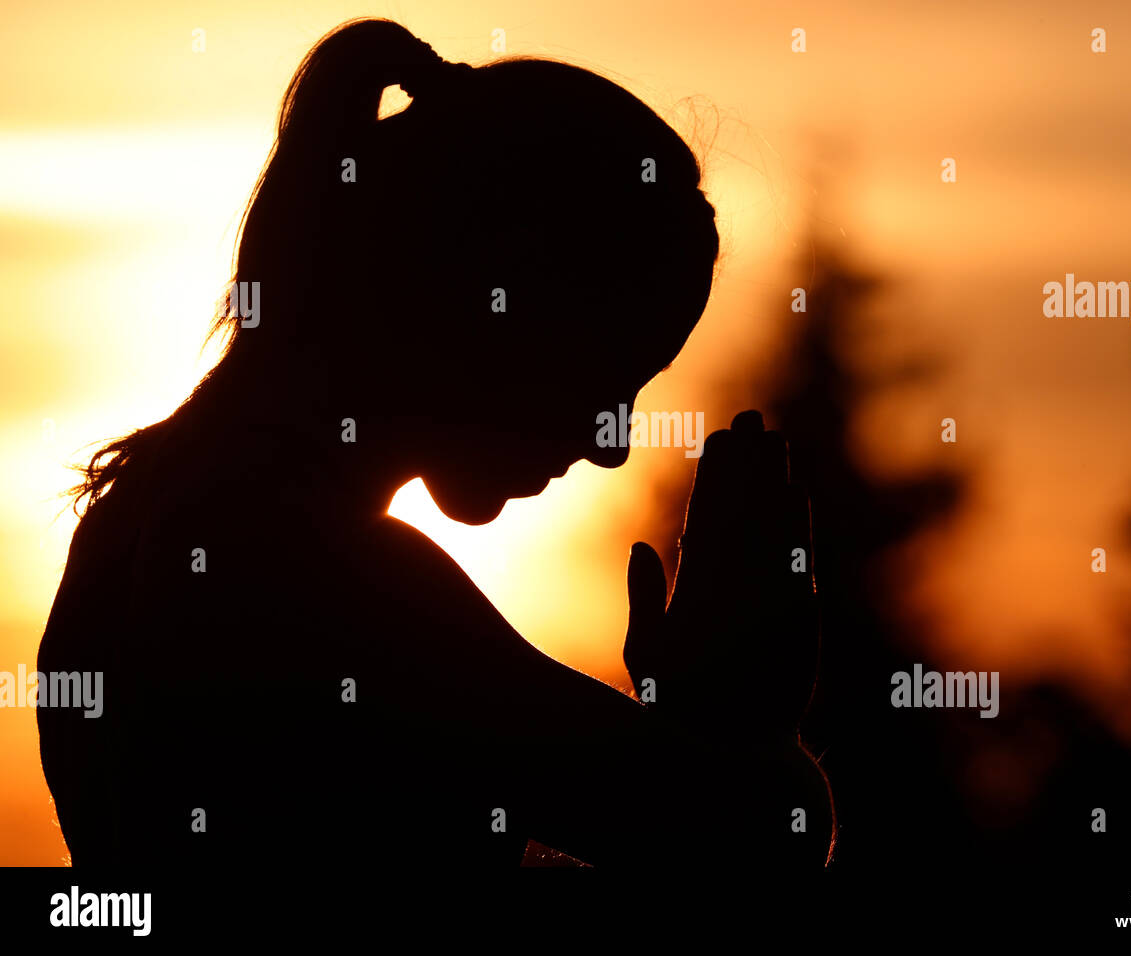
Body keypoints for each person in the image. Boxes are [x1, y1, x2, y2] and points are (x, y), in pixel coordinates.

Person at [37, 17, 833, 869]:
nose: (612, 444)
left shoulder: (125, 527)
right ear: (503, 296)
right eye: (607, 373)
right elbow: (755, 838)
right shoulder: (339, 583)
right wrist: (745, 719)